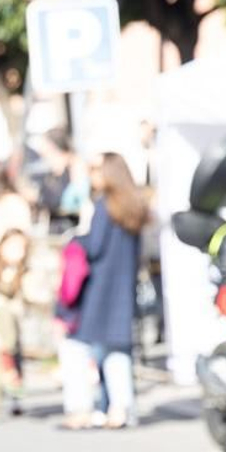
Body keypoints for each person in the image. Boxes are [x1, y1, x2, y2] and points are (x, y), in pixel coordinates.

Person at [58, 153, 149, 430]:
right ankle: (121, 409)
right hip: (122, 287)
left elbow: (94, 246)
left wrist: (76, 240)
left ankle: (80, 410)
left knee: (77, 347)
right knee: (116, 350)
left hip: (99, 288)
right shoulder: (134, 206)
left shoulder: (104, 205)